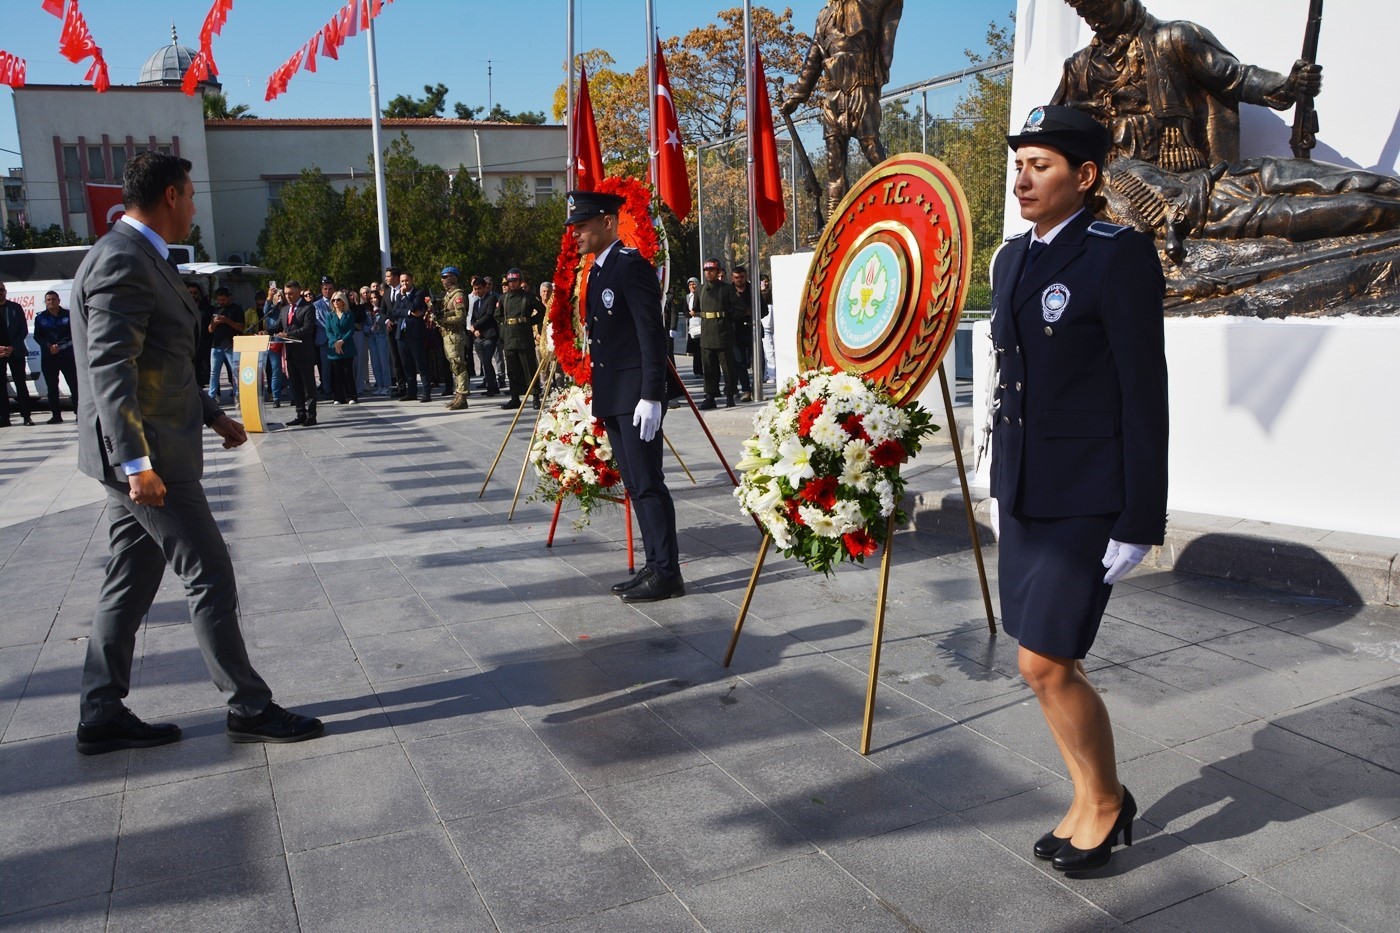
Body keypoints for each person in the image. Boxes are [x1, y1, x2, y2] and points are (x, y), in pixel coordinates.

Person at [68, 150, 322, 754]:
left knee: (130, 577)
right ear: (171, 197)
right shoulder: (123, 262)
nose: (195, 206)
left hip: (155, 447)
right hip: (149, 459)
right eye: (191, 193)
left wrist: (212, 414)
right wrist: (137, 465)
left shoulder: (140, 258)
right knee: (208, 571)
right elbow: (112, 369)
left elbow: (165, 360)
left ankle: (101, 712)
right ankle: (249, 705)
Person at [989, 106, 1168, 871]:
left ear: (1086, 177)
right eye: (1019, 164)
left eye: (1041, 165)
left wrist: (1140, 515)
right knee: (1045, 661)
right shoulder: (1008, 259)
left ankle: (1106, 801)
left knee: (1044, 661)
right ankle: (1089, 793)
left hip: (1088, 493)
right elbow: (1012, 379)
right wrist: (994, 479)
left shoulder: (1116, 254)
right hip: (1026, 489)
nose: (1023, 178)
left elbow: (1143, 390)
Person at [1053, 0, 1400, 254]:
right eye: (1084, 11)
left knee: (1298, 175)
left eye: (1098, 5)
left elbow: (1236, 77)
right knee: (1317, 211)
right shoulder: (1079, 68)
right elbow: (1049, 137)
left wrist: (1288, 85)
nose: (1093, 17)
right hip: (1153, 195)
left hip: (1200, 174)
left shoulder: (1173, 38)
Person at [565, 190, 684, 602]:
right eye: (573, 227)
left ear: (608, 223)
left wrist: (652, 395)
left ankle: (667, 573)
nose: (575, 233)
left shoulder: (630, 267)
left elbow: (652, 336)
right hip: (614, 396)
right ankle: (654, 566)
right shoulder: (598, 271)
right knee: (635, 484)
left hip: (636, 399)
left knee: (649, 484)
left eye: (581, 225)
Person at [781, 0, 904, 216]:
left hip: (861, 89)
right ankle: (832, 225)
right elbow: (813, 59)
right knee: (834, 166)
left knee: (872, 149)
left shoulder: (868, 5)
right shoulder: (823, 17)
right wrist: (797, 97)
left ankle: (899, 203)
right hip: (832, 97)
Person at [270, 280, 318, 426]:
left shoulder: (308, 308)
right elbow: (278, 325)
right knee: (295, 385)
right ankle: (300, 413)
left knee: (308, 386)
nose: (288, 296)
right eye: (286, 293)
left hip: (304, 353)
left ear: (299, 292)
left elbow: (307, 329)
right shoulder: (284, 309)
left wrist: (288, 335)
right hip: (290, 354)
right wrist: (265, 331)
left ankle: (311, 415)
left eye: (291, 293)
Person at [497, 268, 547, 410]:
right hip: (510, 337)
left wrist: (530, 321)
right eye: (510, 281)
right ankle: (515, 397)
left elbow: (542, 311)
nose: (512, 284)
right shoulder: (503, 298)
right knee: (512, 369)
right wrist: (506, 325)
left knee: (530, 367)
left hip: (524, 336)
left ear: (520, 281)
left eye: (515, 281)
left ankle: (536, 396)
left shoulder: (529, 297)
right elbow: (498, 315)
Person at [695, 259, 741, 409]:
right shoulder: (700, 289)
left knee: (727, 367)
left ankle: (730, 394)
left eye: (711, 270)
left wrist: (728, 319)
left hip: (723, 333)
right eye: (706, 270)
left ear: (718, 271)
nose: (708, 273)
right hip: (707, 333)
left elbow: (738, 308)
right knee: (709, 368)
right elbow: (695, 308)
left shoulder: (726, 289)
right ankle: (710, 396)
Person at [33, 291, 79, 424]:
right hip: (49, 357)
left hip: (66, 356)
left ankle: (78, 413)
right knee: (52, 388)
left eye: (53, 299)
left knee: (74, 385)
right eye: (48, 300)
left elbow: (73, 335)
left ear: (59, 300)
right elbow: (38, 336)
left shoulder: (68, 316)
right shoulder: (40, 318)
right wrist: (49, 347)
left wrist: (60, 347)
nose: (51, 302)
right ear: (45, 302)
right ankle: (56, 415)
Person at [392, 271, 432, 403]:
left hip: (415, 335)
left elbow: (415, 306)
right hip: (401, 334)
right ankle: (412, 392)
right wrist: (409, 312)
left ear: (412, 280)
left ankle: (426, 392)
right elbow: (395, 312)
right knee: (406, 365)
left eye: (406, 281)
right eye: (402, 281)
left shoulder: (418, 293)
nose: (404, 284)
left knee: (421, 364)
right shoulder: (399, 296)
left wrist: (405, 300)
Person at [436, 266, 472, 410]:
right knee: (454, 366)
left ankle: (462, 396)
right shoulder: (448, 295)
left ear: (454, 277)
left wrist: (443, 319)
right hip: (447, 335)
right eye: (443, 277)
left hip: (455, 335)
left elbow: (460, 317)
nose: (443, 280)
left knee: (459, 365)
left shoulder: (458, 296)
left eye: (446, 277)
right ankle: (458, 394)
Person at [0, 281, 35, 427]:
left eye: (1, 289)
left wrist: (12, 347)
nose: (0, 292)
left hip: (16, 352)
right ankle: (4, 418)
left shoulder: (15, 307)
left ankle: (26, 416)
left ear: (6, 291)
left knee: (21, 384)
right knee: (1, 387)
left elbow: (23, 330)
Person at [207, 286, 245, 402]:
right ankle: (211, 396)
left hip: (231, 345)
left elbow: (241, 327)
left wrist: (227, 321)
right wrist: (214, 323)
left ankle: (238, 394)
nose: (221, 302)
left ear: (229, 298)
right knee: (214, 372)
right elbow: (210, 330)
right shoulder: (215, 310)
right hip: (216, 345)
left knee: (235, 372)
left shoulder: (237, 309)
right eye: (219, 300)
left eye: (223, 300)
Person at [468, 275, 501, 396]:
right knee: (485, 362)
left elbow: (488, 316)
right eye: (475, 289)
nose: (477, 291)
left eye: (479, 288)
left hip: (489, 335)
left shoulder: (491, 298)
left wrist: (476, 326)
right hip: (478, 337)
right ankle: (493, 385)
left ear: (485, 288)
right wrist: (474, 329)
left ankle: (491, 387)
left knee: (487, 361)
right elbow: (472, 318)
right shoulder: (476, 302)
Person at [325, 291, 358, 405]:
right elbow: (328, 330)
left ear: (343, 301)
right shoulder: (330, 315)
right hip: (334, 348)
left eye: (338, 300)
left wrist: (342, 341)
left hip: (347, 345)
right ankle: (338, 397)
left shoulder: (349, 314)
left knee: (348, 372)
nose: (335, 302)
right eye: (333, 300)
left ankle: (351, 396)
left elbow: (351, 330)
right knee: (336, 374)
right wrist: (335, 342)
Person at [730, 266, 756, 402]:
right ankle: (746, 389)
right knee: (739, 362)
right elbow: (727, 311)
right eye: (736, 278)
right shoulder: (729, 292)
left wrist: (753, 312)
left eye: (742, 277)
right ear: (732, 278)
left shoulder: (753, 290)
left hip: (753, 329)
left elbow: (763, 309)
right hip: (736, 331)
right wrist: (743, 313)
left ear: (746, 277)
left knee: (757, 360)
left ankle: (756, 387)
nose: (739, 280)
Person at [367, 291, 394, 395]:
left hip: (382, 337)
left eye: (375, 297)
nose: (374, 300)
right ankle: (379, 385)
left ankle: (387, 385)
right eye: (371, 298)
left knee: (384, 362)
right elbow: (365, 324)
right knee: (375, 363)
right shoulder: (368, 311)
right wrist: (369, 328)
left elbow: (385, 321)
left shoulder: (383, 309)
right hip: (372, 337)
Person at [683, 276, 703, 376]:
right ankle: (697, 370)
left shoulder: (702, 295)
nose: (692, 286)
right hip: (692, 325)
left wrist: (697, 313)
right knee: (696, 350)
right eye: (690, 285)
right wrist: (689, 314)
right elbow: (685, 311)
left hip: (702, 323)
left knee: (703, 348)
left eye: (694, 284)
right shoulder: (687, 297)